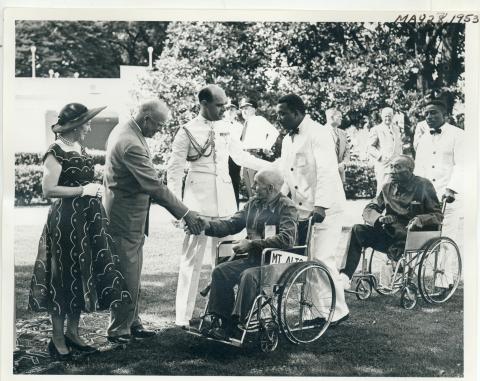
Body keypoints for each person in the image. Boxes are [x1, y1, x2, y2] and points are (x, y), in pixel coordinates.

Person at [28, 103, 132, 359]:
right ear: (74, 126)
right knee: (63, 276)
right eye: (86, 123)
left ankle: (73, 334)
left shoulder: (79, 147)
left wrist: (91, 188)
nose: (89, 126)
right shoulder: (55, 151)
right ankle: (56, 339)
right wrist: (82, 190)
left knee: (80, 273)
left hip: (87, 220)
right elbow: (48, 189)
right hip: (65, 220)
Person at [167, 85, 269, 327]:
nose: (224, 109)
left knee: (224, 261)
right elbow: (174, 171)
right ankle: (183, 316)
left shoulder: (226, 128)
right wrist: (178, 209)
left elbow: (241, 156)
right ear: (204, 103)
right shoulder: (187, 131)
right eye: (219, 105)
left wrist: (272, 165)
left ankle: (218, 314)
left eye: (225, 104)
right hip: (197, 204)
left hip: (224, 203)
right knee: (191, 262)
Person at [103, 99, 202, 344]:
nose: (158, 130)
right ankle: (119, 330)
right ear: (146, 118)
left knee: (131, 270)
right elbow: (154, 186)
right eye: (158, 125)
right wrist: (186, 213)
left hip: (127, 215)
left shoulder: (126, 130)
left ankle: (131, 322)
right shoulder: (130, 143)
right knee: (126, 272)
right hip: (124, 217)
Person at [189, 168, 298, 340]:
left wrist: (252, 244)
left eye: (257, 184)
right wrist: (207, 225)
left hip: (278, 263)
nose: (253, 187)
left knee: (248, 275)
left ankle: (237, 322)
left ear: (270, 188)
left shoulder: (287, 206)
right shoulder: (253, 203)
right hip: (255, 259)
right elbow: (231, 225)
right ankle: (222, 321)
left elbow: (287, 239)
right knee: (220, 271)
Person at [273, 93, 349, 324]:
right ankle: (315, 311)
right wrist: (278, 200)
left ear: (297, 113)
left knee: (322, 259)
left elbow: (327, 170)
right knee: (308, 259)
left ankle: (336, 312)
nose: (279, 118)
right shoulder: (288, 139)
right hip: (301, 209)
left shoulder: (319, 133)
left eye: (283, 113)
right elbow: (288, 175)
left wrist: (321, 205)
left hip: (325, 207)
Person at [339, 155, 443, 287]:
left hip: (413, 235)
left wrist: (420, 219)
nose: (392, 171)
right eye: (391, 167)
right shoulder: (387, 188)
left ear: (410, 170)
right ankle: (345, 277)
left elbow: (438, 215)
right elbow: (369, 208)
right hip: (389, 234)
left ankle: (394, 265)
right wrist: (379, 218)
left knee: (400, 231)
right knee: (357, 229)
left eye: (397, 167)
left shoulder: (423, 185)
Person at [414, 99, 464, 288]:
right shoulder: (423, 138)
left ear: (445, 115)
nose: (429, 117)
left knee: (446, 237)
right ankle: (420, 275)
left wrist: (451, 189)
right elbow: (419, 167)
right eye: (426, 114)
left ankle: (443, 280)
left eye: (433, 113)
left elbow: (463, 165)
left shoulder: (459, 135)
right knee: (425, 237)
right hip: (427, 196)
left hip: (449, 195)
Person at [239, 97, 279, 197]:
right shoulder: (245, 123)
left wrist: (266, 146)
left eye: (246, 108)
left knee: (256, 188)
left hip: (254, 155)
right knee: (249, 190)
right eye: (242, 108)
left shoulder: (259, 120)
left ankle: (260, 210)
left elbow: (274, 132)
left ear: (254, 109)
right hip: (245, 156)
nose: (244, 110)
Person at [368, 107, 403, 194]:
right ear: (382, 116)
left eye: (390, 116)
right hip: (383, 165)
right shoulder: (376, 129)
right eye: (386, 116)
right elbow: (370, 147)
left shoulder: (396, 129)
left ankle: (392, 207)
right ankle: (380, 207)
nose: (388, 118)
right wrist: (380, 157)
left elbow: (399, 146)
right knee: (382, 189)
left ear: (393, 116)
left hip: (396, 165)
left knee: (395, 190)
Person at [324, 108, 351, 184]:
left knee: (340, 195)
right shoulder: (321, 132)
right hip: (326, 175)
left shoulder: (343, 133)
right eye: (339, 116)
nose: (341, 118)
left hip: (340, 174)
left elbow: (347, 151)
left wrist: (344, 164)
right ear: (331, 117)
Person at [225, 101, 243, 208]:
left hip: (235, 159)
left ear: (236, 111)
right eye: (228, 109)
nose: (230, 111)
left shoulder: (240, 127)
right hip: (223, 158)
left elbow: (242, 144)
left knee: (235, 184)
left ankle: (235, 211)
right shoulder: (220, 124)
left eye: (232, 109)